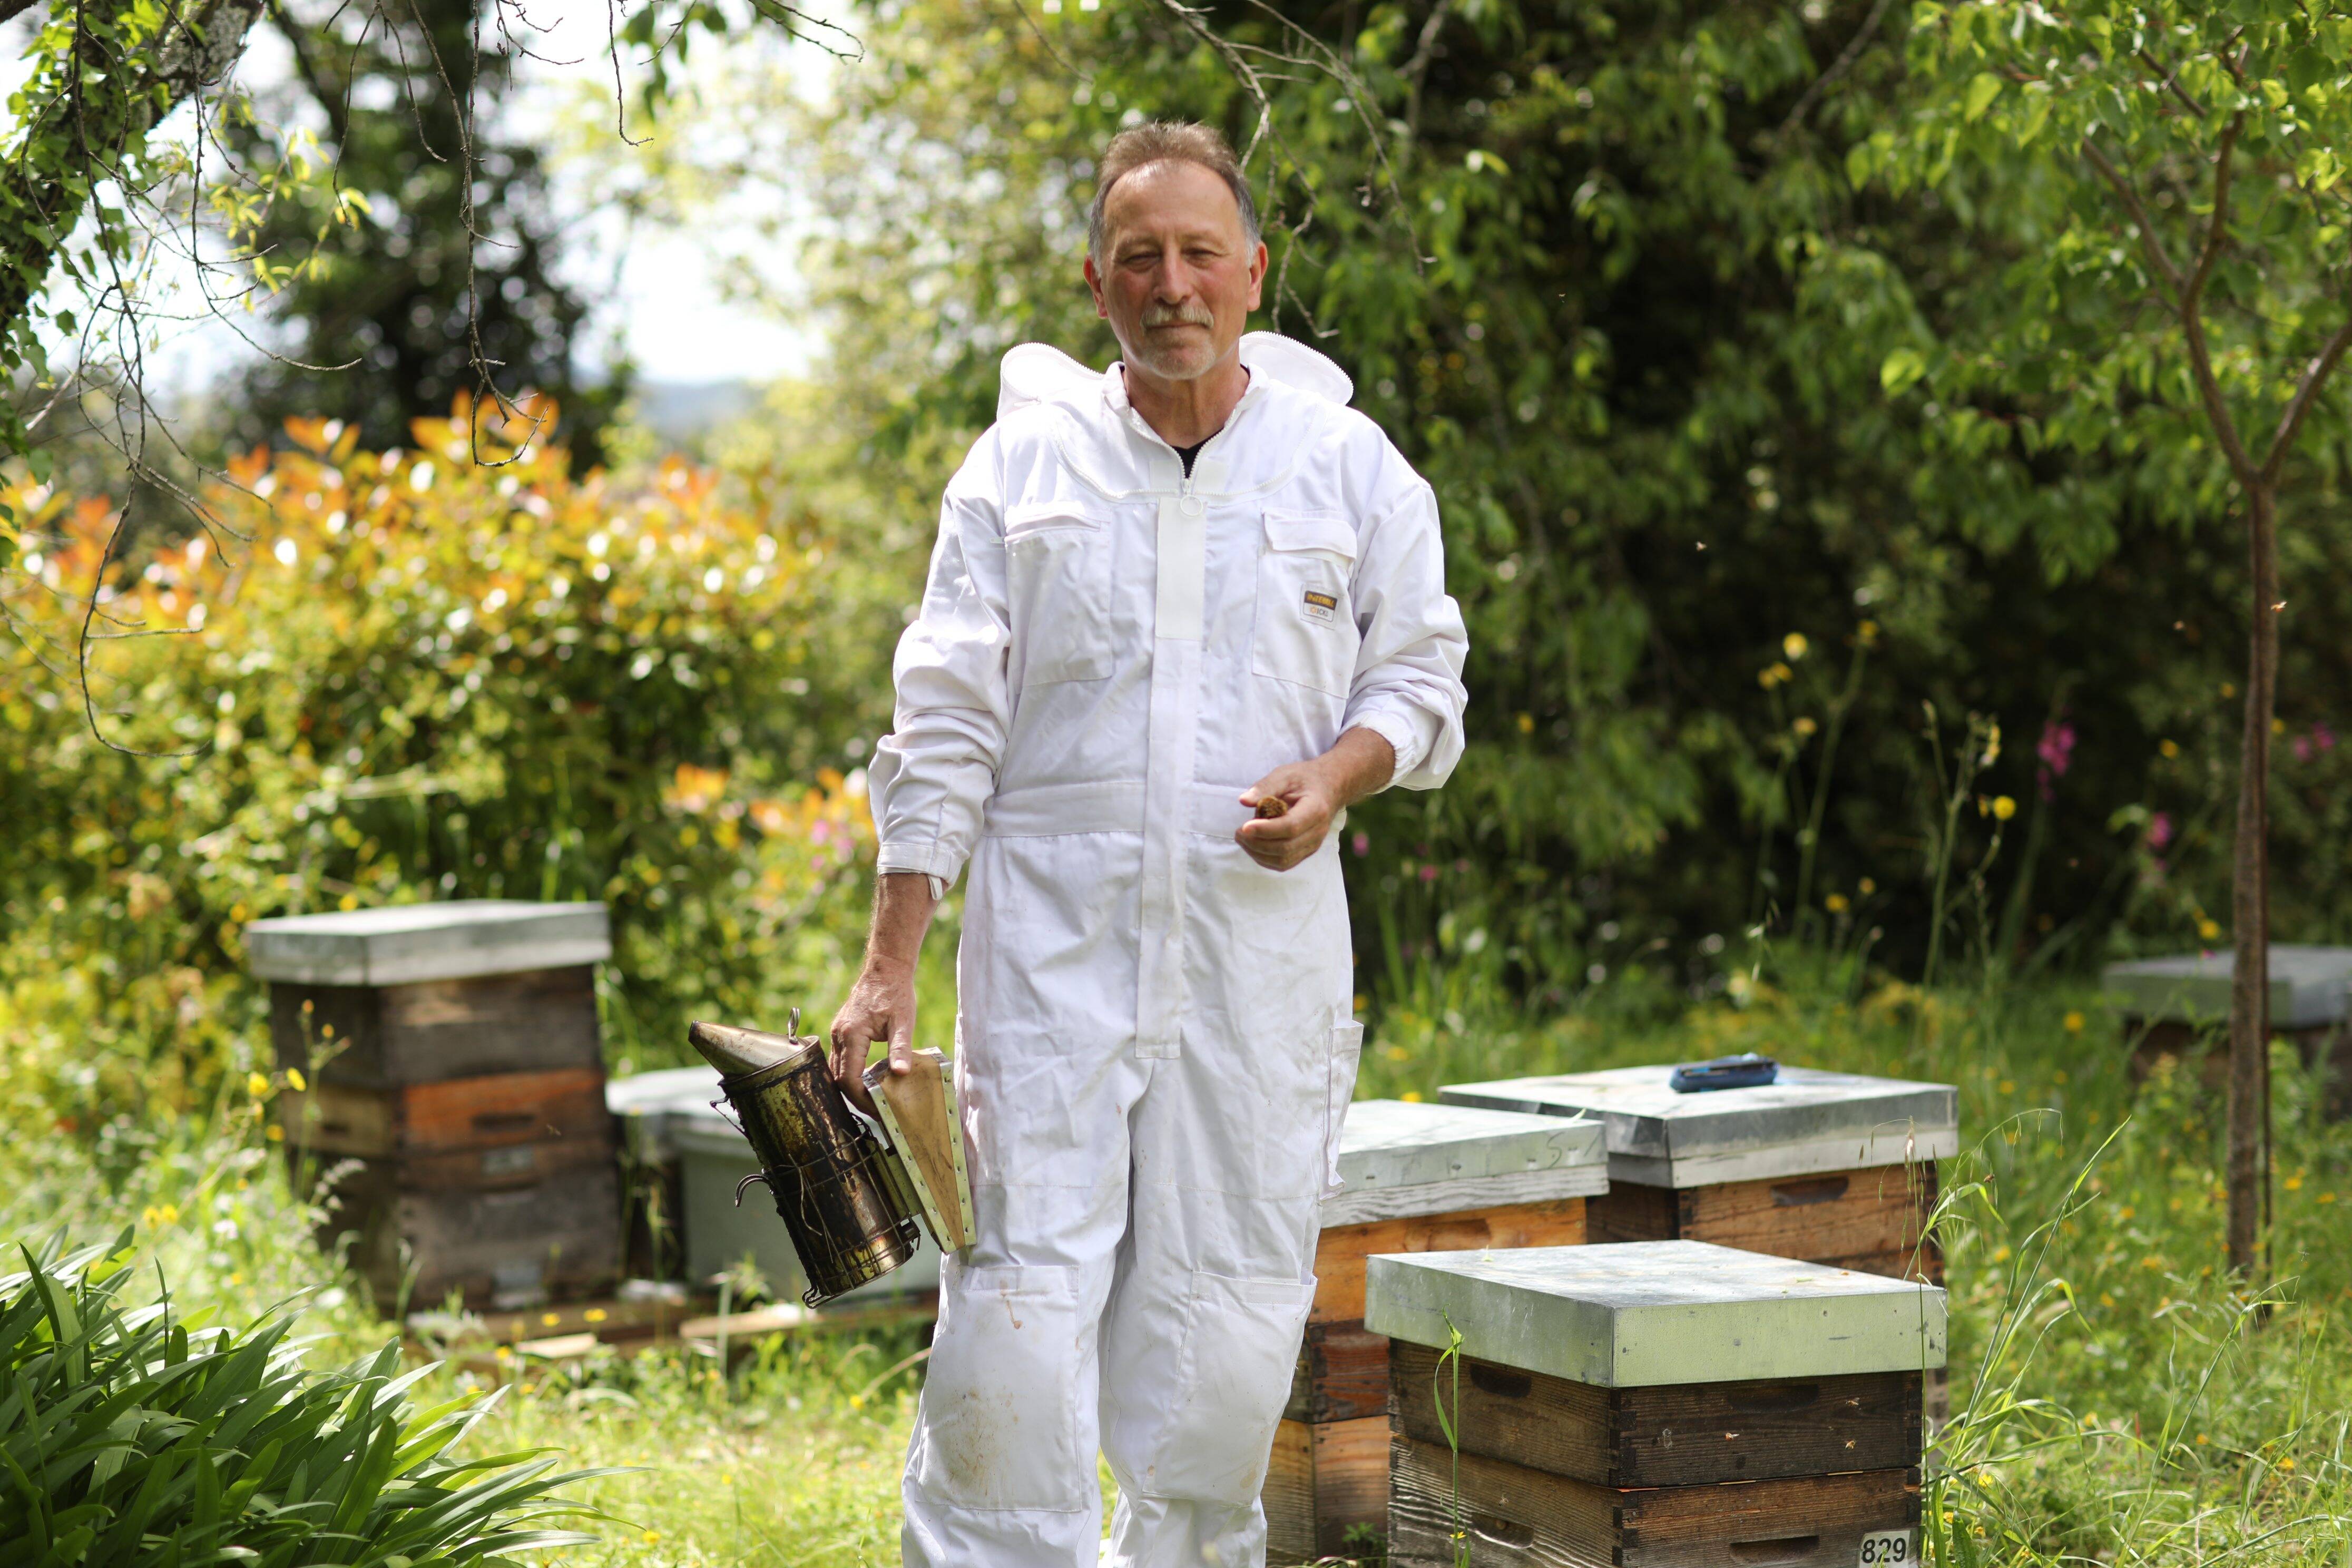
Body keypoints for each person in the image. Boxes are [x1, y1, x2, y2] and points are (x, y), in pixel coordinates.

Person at [827, 119, 1468, 1568]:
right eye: (1139, 258)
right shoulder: (1017, 469)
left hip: (1259, 963)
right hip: (1052, 956)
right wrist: (887, 967)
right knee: (1016, 1305)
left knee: (1230, 1311)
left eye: (1198, 254)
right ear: (1096, 280)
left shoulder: (1352, 470)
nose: (1172, 283)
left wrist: (1339, 775)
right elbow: (942, 728)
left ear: (1252, 271)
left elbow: (1423, 679)